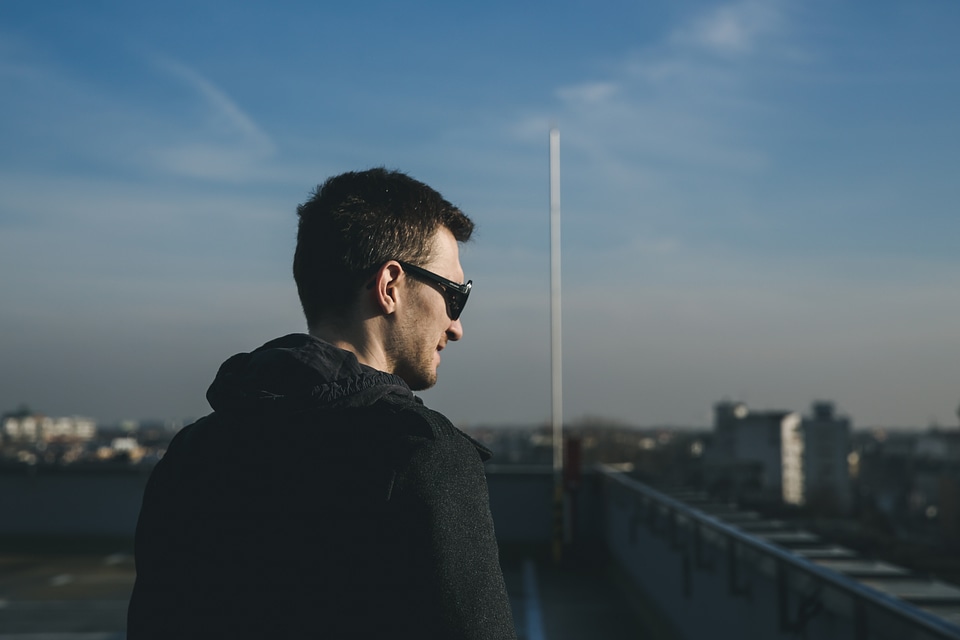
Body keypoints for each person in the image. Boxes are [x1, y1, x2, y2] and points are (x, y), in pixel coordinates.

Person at [127, 168, 517, 639]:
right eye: (454, 295)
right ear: (391, 285)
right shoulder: (421, 457)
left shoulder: (193, 453)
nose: (456, 326)